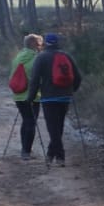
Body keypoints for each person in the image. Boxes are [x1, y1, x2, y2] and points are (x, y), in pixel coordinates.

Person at [28, 31, 82, 163]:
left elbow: (34, 79)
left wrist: (31, 97)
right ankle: (50, 154)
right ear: (58, 42)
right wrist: (71, 90)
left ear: (45, 43)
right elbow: (78, 77)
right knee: (59, 126)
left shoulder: (41, 57)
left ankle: (60, 156)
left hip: (49, 98)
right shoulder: (67, 56)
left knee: (52, 127)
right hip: (65, 97)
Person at [8, 33, 44, 157]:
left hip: (18, 94)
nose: (40, 46)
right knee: (31, 122)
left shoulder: (18, 56)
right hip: (32, 96)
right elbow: (37, 79)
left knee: (26, 121)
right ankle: (26, 152)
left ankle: (24, 148)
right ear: (33, 44)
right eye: (39, 44)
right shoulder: (36, 58)